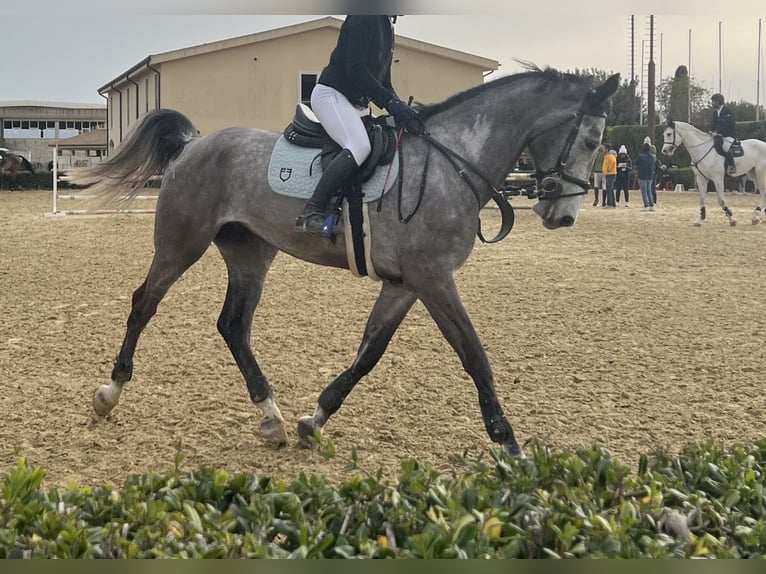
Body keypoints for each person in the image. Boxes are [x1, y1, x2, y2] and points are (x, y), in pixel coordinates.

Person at [294, 15, 423, 234]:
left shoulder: (385, 25)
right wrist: (391, 103)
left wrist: (400, 108)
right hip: (332, 95)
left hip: (356, 103)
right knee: (359, 145)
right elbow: (356, 69)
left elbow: (384, 82)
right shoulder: (364, 15)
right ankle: (312, 211)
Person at [709, 93, 737, 176]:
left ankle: (732, 166)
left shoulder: (727, 111)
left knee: (725, 147)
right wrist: (711, 131)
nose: (712, 103)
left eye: (713, 101)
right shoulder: (715, 113)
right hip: (718, 136)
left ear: (718, 102)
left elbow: (729, 124)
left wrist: (718, 132)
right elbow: (713, 125)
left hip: (729, 135)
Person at [635, 143, 656, 211]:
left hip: (642, 175)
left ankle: (646, 205)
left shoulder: (640, 156)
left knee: (644, 192)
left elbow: (636, 163)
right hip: (650, 176)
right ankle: (651, 205)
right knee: (649, 190)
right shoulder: (652, 157)